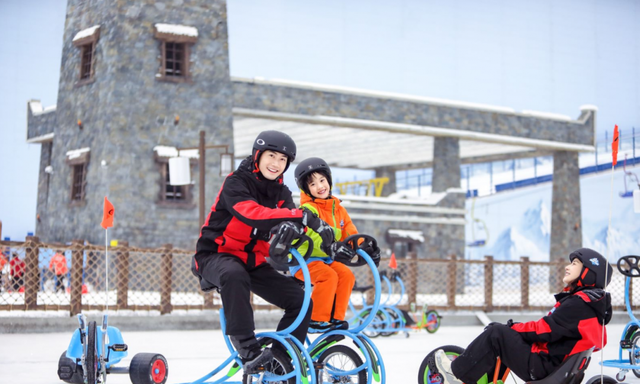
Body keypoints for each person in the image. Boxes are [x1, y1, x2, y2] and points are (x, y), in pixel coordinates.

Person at [192, 131, 335, 373]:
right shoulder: (235, 182)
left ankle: (282, 357)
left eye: (282, 160)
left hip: (253, 262)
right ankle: (248, 349)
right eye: (271, 156)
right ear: (257, 155)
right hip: (215, 255)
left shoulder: (280, 193)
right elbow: (251, 213)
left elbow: (290, 221)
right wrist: (298, 216)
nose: (276, 164)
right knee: (234, 274)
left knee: (300, 300)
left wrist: (299, 229)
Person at [435, 248, 613, 384]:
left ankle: (456, 374)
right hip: (553, 365)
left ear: (589, 272)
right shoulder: (591, 305)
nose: (567, 267)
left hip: (542, 367)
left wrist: (512, 328)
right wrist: (515, 330)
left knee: (496, 333)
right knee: (505, 335)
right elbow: (557, 331)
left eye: (575, 263)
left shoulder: (578, 304)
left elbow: (544, 329)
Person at [291, 157, 380, 333]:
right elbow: (312, 237)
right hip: (305, 260)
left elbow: (350, 231)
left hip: (327, 259)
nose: (320, 186)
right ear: (306, 190)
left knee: (346, 275)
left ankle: (335, 318)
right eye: (313, 184)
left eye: (322, 180)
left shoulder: (338, 209)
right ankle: (316, 319)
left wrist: (364, 247)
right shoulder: (308, 210)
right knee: (328, 277)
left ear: (329, 181)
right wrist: (331, 243)